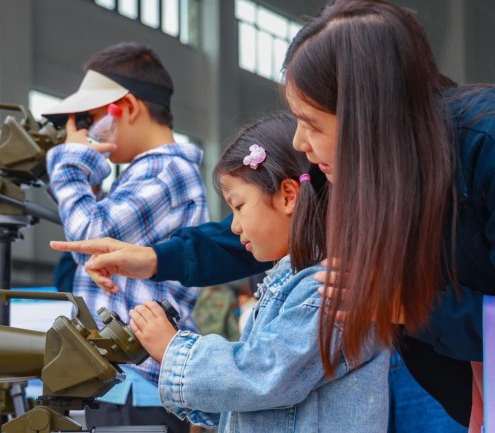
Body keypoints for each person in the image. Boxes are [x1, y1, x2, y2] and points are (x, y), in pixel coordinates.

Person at [53, 0, 495, 430]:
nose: (300, 144)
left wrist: (410, 306)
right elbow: (256, 234)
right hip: (460, 382)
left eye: (311, 123)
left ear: (368, 110)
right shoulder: (358, 164)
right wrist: (153, 259)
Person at [134, 112, 389, 432]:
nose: (235, 226)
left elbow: (263, 375)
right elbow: (257, 402)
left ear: (287, 196)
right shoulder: (296, 284)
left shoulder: (324, 290)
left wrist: (177, 352)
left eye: (238, 206)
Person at [43, 42, 209, 433]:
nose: (84, 130)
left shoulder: (168, 171)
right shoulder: (143, 173)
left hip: (141, 383)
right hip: (124, 383)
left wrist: (68, 165)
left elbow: (92, 237)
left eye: (91, 117)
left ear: (129, 107)